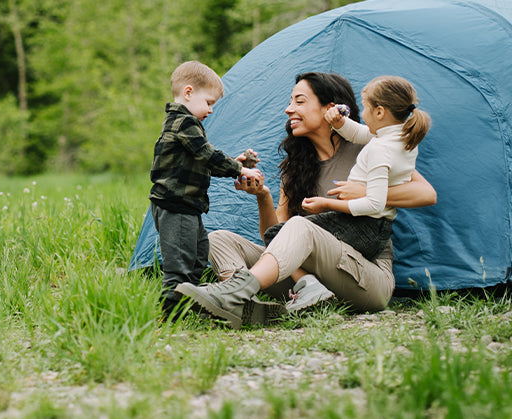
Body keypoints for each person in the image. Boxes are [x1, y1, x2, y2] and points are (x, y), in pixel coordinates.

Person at [176, 72, 437, 328]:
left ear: (330, 109)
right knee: (220, 239)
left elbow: (426, 194)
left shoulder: (369, 146)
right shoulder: (296, 168)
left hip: (366, 277)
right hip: (311, 281)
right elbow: (276, 237)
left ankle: (232, 295)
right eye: (290, 102)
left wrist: (365, 193)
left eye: (299, 101)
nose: (289, 109)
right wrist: (263, 197)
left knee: (301, 226)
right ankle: (243, 303)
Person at [149, 61, 262, 317]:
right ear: (188, 93)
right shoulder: (183, 123)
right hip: (174, 205)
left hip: (188, 206)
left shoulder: (188, 124)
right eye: (209, 103)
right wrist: (239, 169)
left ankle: (190, 305)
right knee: (179, 265)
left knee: (199, 255)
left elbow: (203, 161)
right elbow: (206, 153)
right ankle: (169, 316)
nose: (211, 110)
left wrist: (235, 162)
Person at [297, 75, 431, 264]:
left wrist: (326, 204)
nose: (363, 115)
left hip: (361, 224)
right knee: (298, 235)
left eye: (366, 108)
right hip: (377, 227)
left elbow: (374, 204)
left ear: (379, 112)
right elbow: (360, 133)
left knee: (286, 233)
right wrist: (339, 124)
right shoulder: (400, 138)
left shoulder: (380, 148)